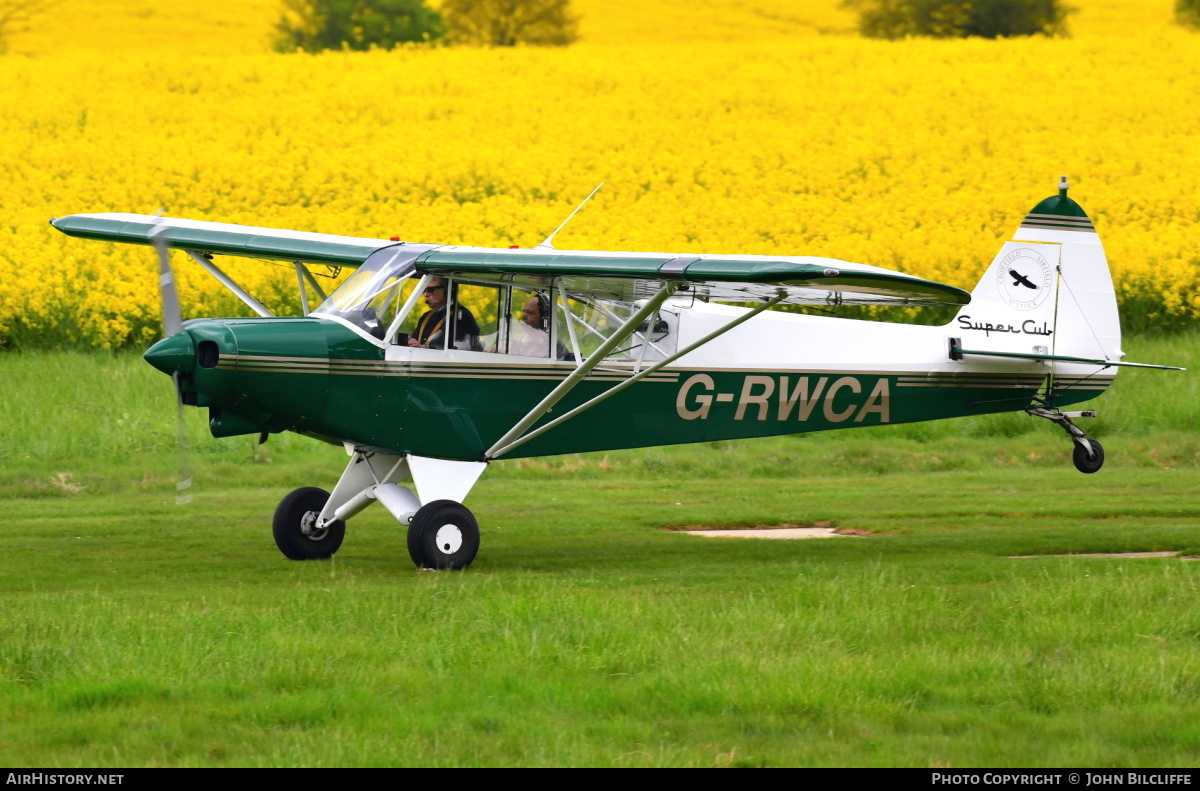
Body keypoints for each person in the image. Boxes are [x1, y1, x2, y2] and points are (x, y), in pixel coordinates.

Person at [407, 277, 480, 350]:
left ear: (448, 290)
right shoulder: (426, 316)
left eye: (430, 290)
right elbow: (416, 342)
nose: (425, 294)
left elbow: (461, 348)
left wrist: (424, 347)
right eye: (424, 290)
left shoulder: (461, 316)